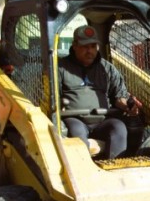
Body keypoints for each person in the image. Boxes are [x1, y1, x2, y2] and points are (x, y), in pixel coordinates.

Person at [58, 25, 143, 158]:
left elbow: (119, 97)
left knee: (118, 127)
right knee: (76, 131)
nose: (90, 51)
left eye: (93, 46)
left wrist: (129, 105)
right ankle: (82, 172)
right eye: (85, 47)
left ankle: (114, 169)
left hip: (103, 120)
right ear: (74, 46)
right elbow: (52, 99)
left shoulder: (107, 69)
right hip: (75, 119)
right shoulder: (61, 68)